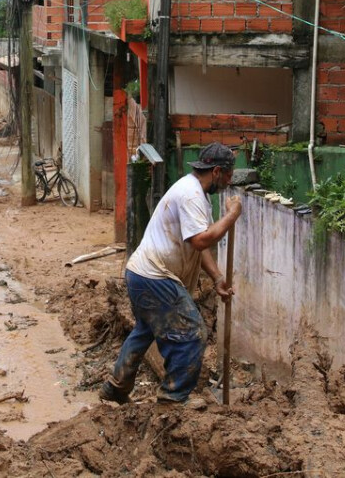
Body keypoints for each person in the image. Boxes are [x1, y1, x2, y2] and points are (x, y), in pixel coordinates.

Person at [101, 142, 241, 406]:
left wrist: (218, 279)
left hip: (141, 273)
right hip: (155, 276)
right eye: (229, 175)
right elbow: (202, 241)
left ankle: (116, 387)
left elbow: (195, 245)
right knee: (193, 332)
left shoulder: (196, 192)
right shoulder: (191, 195)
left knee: (145, 330)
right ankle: (173, 398)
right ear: (217, 171)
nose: (230, 181)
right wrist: (232, 216)